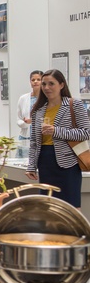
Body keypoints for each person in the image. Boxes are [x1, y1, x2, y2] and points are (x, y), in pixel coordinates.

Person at [25, 69, 90, 208]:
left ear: (61, 85)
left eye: (51, 84)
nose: (46, 88)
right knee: (48, 205)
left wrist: (57, 131)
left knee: (70, 206)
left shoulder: (74, 105)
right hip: (45, 162)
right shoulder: (38, 110)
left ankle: (72, 230)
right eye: (44, 84)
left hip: (68, 164)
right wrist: (31, 165)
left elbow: (86, 133)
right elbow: (34, 141)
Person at [16, 70, 42, 158]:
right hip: (25, 137)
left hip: (40, 138)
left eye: (38, 79)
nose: (35, 82)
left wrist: (34, 120)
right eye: (33, 80)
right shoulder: (23, 98)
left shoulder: (47, 99)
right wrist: (26, 123)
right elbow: (19, 118)